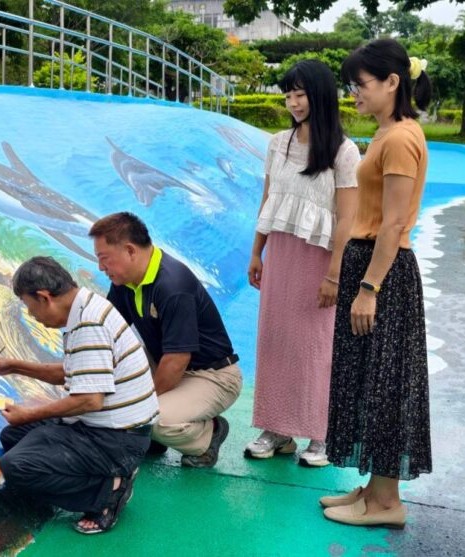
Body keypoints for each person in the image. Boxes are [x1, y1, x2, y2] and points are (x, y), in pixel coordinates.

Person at [320, 39, 432, 529]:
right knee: (371, 377)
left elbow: (393, 223)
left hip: (382, 274)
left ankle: (388, 501)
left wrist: (369, 289)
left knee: (386, 382)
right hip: (370, 267)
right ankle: (374, 488)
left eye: (361, 84)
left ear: (392, 82)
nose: (354, 93)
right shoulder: (388, 132)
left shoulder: (401, 138)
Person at [0, 256, 159, 534]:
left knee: (16, 467)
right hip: (109, 428)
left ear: (44, 297)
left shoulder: (88, 325)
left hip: (117, 440)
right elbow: (76, 372)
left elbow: (90, 400)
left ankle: (107, 492)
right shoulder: (86, 305)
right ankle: (103, 475)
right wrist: (13, 366)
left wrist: (30, 413)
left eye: (29, 306)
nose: (32, 315)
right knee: (13, 436)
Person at [245, 60, 361, 467]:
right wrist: (257, 251)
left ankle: (320, 433)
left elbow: (347, 219)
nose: (293, 103)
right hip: (280, 252)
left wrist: (335, 275)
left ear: (320, 95)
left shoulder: (344, 151)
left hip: (319, 260)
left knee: (314, 347)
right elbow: (268, 200)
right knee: (275, 340)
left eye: (300, 94)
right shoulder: (278, 143)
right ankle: (276, 429)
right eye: (288, 95)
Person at [88, 212, 242, 468]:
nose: (100, 268)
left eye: (104, 258)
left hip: (212, 376)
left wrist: (137, 407)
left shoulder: (172, 285)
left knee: (150, 417)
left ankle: (209, 433)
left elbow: (177, 360)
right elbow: (107, 333)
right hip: (165, 363)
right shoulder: (124, 280)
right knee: (113, 365)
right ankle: (152, 436)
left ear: (130, 250)